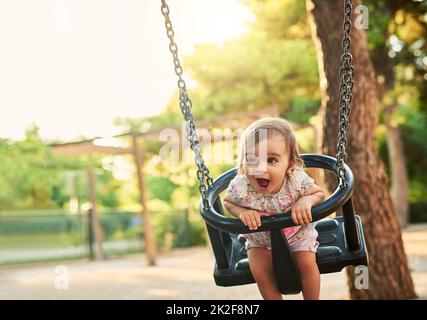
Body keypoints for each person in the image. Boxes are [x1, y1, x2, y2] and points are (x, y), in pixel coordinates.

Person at [223, 117, 325, 300]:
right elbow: (228, 201)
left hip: (297, 235)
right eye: (252, 160)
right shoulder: (242, 185)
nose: (260, 168)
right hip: (259, 239)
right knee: (260, 273)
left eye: (271, 160)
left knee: (307, 264)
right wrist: (243, 212)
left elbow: (319, 194)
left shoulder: (296, 180)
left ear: (290, 165)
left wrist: (305, 201)